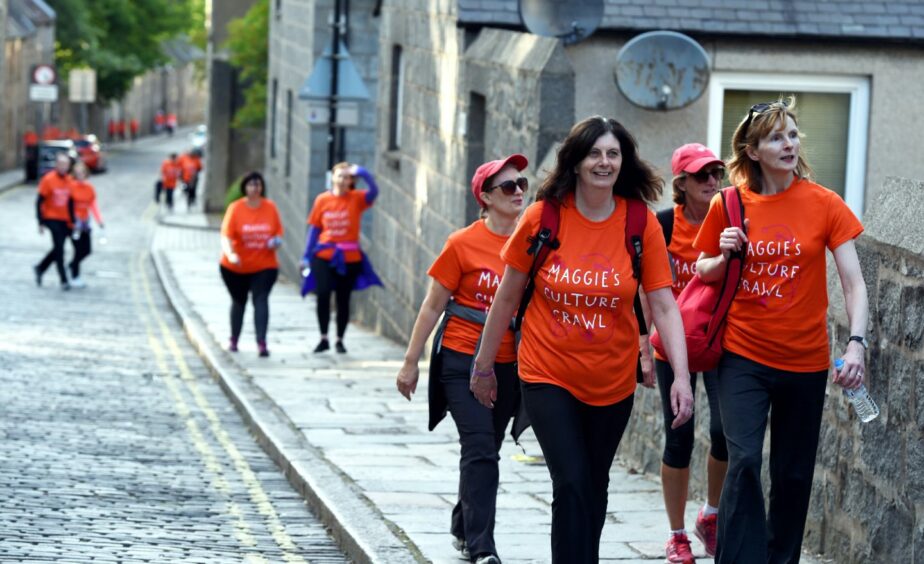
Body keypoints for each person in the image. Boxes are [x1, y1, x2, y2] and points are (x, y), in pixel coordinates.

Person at [473, 116, 694, 563]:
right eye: (594, 153)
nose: (604, 162)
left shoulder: (639, 223)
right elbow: (508, 295)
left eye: (613, 153)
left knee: (594, 484)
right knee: (571, 480)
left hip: (611, 380)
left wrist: (682, 378)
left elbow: (665, 306)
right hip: (546, 371)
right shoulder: (544, 217)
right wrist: (482, 365)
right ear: (575, 162)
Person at [693, 97, 868, 563]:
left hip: (805, 361)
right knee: (745, 459)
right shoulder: (728, 204)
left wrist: (856, 343)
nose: (788, 144)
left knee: (793, 475)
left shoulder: (824, 203)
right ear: (752, 150)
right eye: (775, 137)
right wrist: (723, 251)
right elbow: (702, 268)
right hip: (741, 356)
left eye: (792, 134)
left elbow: (853, 282)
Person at [396, 154, 529, 564]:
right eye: (508, 187)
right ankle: (481, 546)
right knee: (479, 448)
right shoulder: (462, 243)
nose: (519, 191)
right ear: (485, 198)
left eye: (522, 183)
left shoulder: (532, 241)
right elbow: (432, 305)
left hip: (508, 364)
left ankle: (462, 522)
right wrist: (410, 361)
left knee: (487, 445)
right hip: (460, 358)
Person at [652, 144, 729, 563]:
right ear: (681, 182)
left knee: (724, 433)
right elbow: (645, 289)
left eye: (716, 173)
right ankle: (677, 534)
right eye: (702, 175)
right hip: (671, 344)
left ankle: (711, 516)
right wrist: (644, 350)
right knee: (679, 435)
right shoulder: (663, 224)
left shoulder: (727, 222)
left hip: (716, 340)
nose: (712, 182)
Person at [301, 162, 381, 354]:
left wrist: (362, 172)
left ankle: (339, 339)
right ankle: (323, 338)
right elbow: (314, 229)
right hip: (324, 255)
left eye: (348, 177)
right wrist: (305, 256)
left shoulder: (357, 198)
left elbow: (374, 191)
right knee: (323, 294)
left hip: (349, 258)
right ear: (333, 178)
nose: (344, 180)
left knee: (343, 299)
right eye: (341, 176)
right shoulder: (322, 200)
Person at [219, 172, 284, 357]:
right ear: (245, 188)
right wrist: (230, 253)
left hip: (264, 265)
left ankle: (262, 342)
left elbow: (278, 233)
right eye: (251, 185)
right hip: (236, 267)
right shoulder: (235, 208)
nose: (254, 188)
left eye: (258, 185)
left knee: (261, 300)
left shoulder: (270, 207)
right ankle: (234, 339)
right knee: (239, 302)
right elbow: (226, 235)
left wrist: (276, 241)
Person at [34, 153, 75, 290]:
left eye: (66, 165)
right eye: (61, 164)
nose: (64, 167)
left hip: (65, 220)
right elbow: (39, 201)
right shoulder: (48, 179)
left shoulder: (70, 180)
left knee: (58, 248)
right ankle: (64, 279)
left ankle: (40, 267)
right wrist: (40, 221)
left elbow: (72, 202)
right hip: (51, 218)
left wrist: (75, 221)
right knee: (60, 249)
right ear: (57, 165)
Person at [68, 161, 105, 288]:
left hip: (85, 224)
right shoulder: (71, 186)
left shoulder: (89, 188)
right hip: (73, 224)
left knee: (87, 250)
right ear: (74, 174)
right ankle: (75, 276)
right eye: (77, 173)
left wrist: (99, 221)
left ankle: (72, 266)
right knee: (77, 250)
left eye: (82, 172)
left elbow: (93, 206)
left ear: (86, 174)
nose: (80, 175)